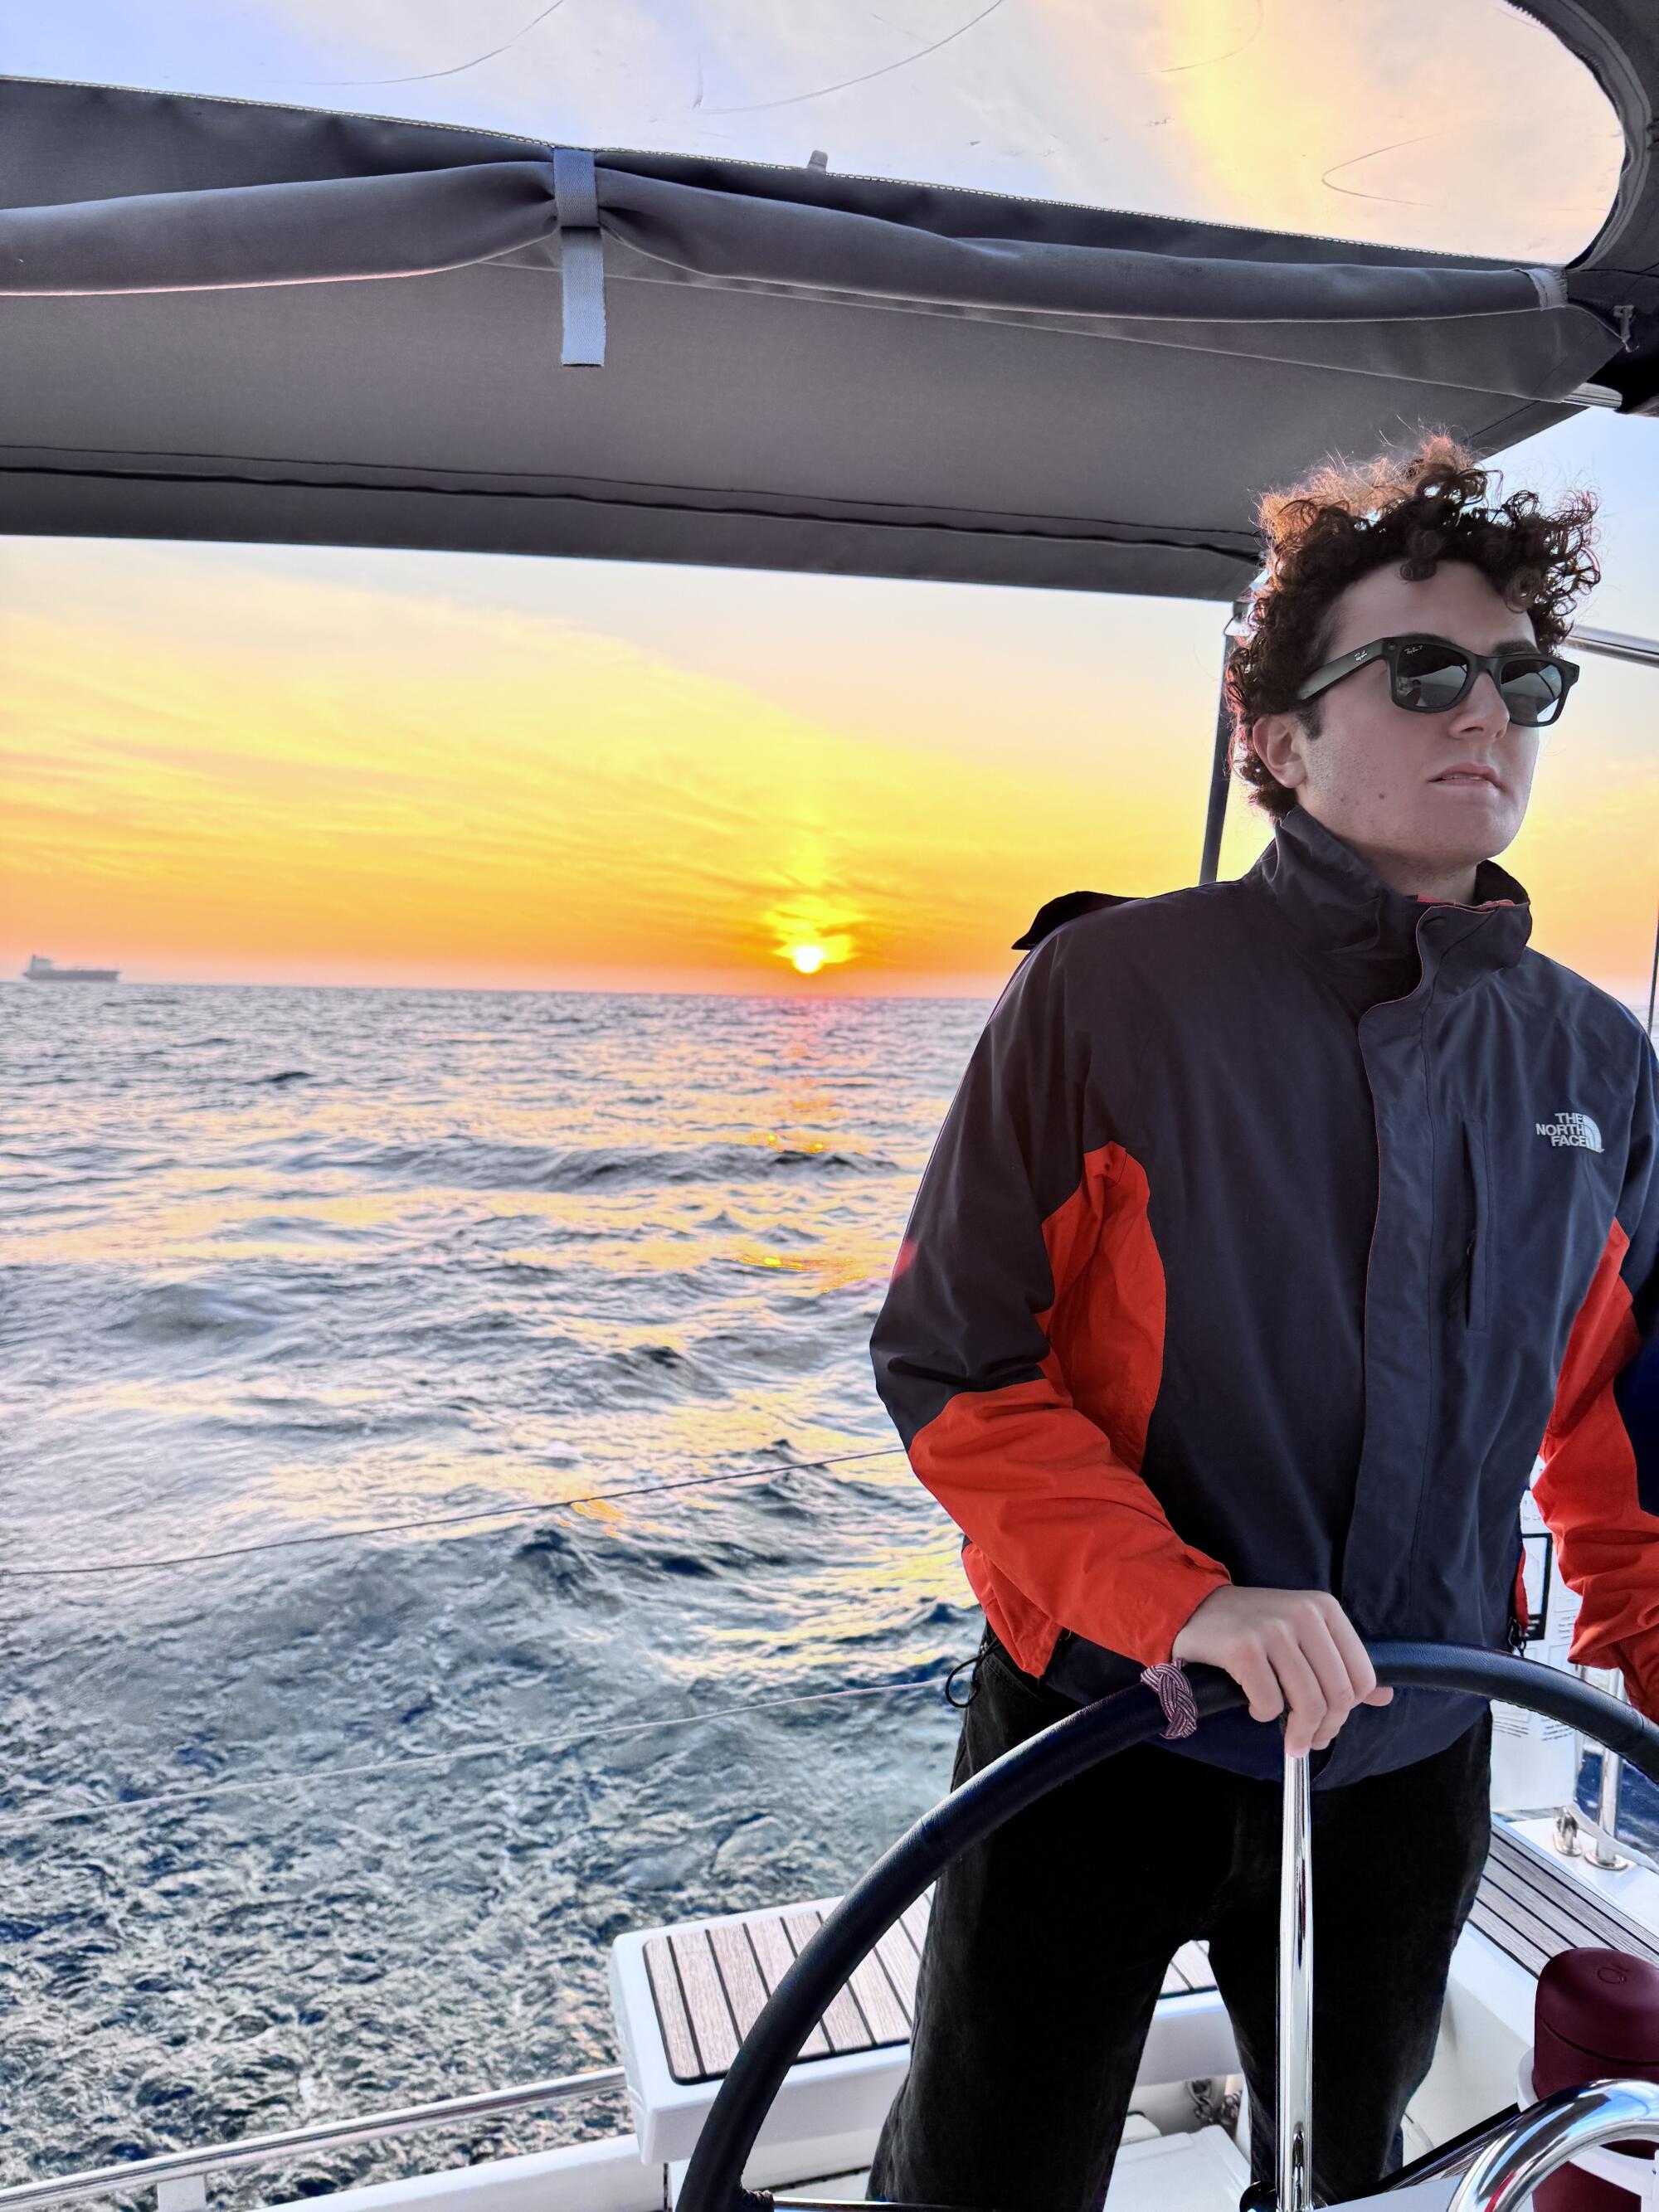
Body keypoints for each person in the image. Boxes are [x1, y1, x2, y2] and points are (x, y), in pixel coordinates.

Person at [866, 434, 1659, 2212]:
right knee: (982, 2180)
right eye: (1424, 669)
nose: (1488, 712)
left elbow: (1625, 1438)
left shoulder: (1595, 1065)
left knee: (1337, 2177)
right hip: (1094, 1735)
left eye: (1522, 678)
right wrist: (1188, 1598)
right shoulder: (1105, 995)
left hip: (1408, 1761)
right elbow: (953, 1366)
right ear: (1278, 737)